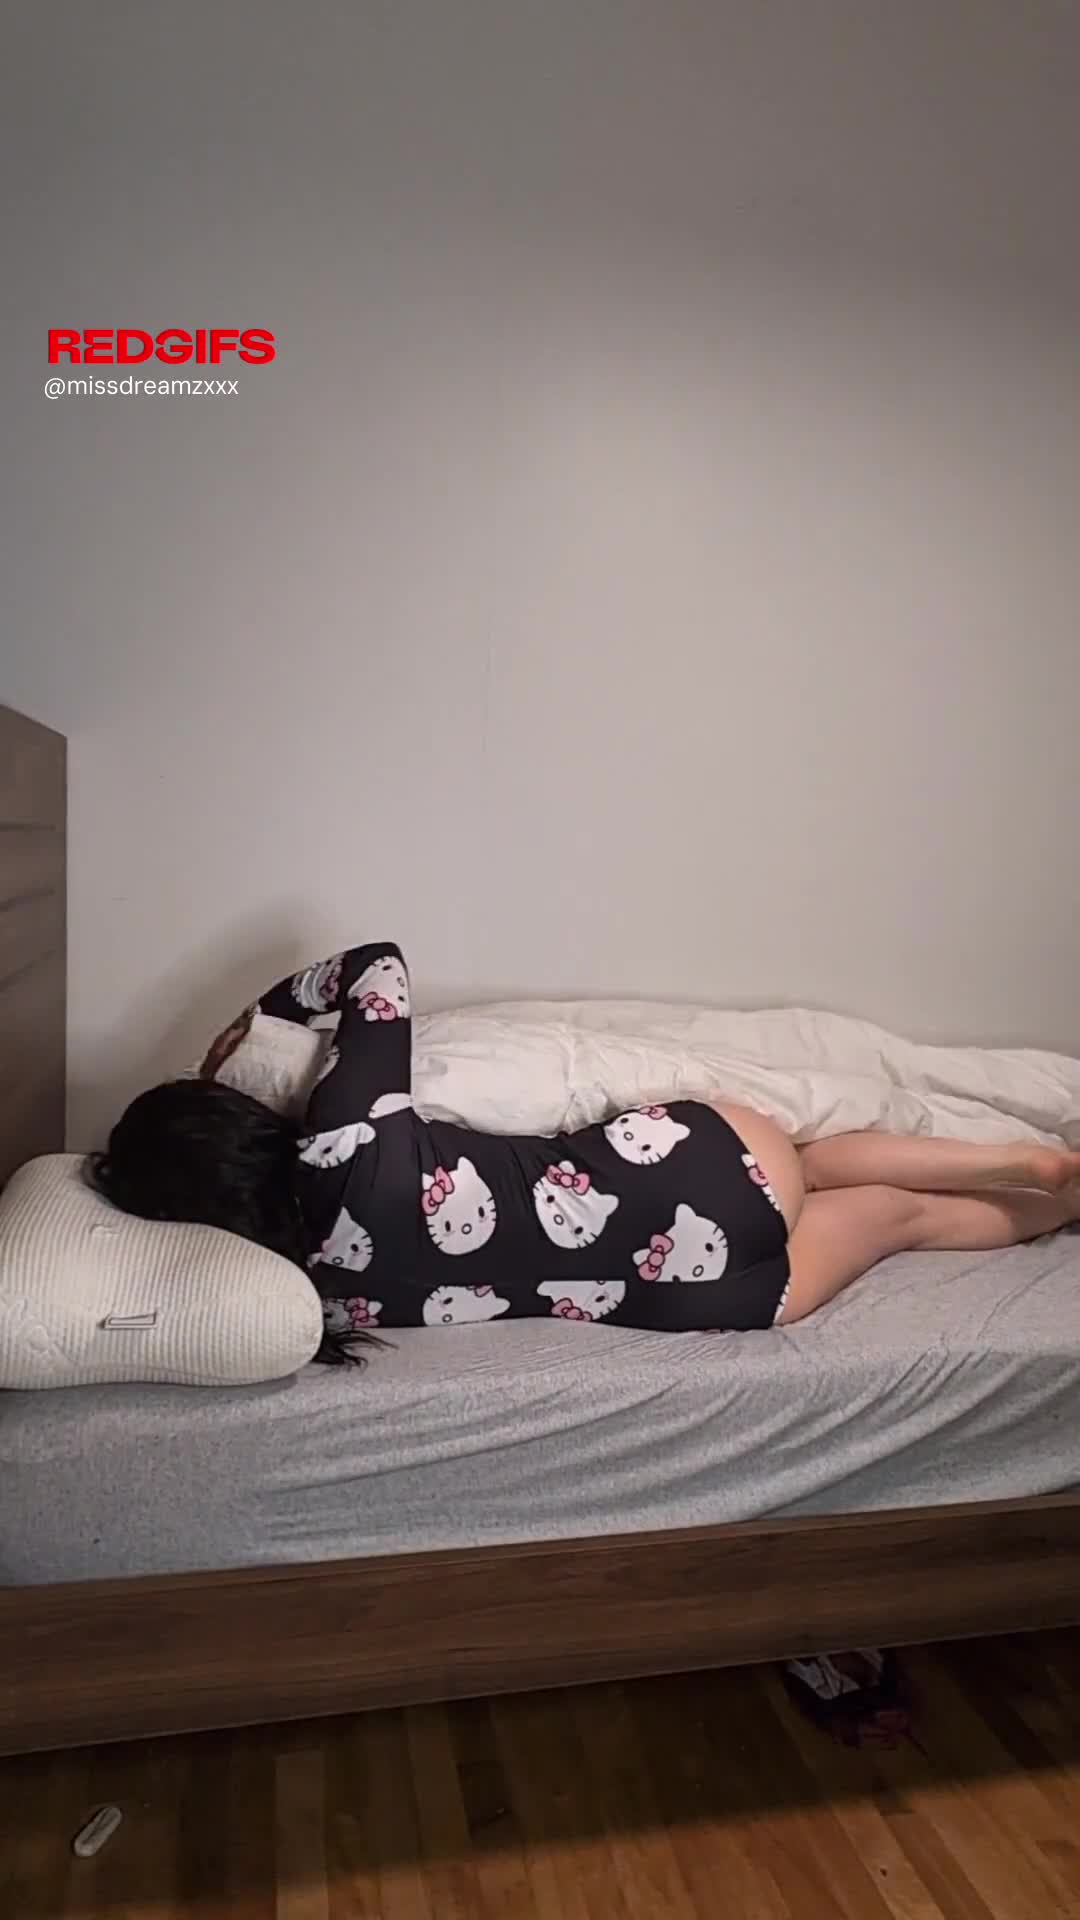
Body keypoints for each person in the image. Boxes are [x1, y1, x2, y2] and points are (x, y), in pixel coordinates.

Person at [88, 942, 1080, 1360]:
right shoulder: (344, 1138)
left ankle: (1057, 1199)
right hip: (694, 1168)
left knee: (901, 1225)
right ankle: (1020, 1159)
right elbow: (375, 968)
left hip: (698, 1297)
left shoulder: (306, 1304)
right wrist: (258, 1020)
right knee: (810, 1163)